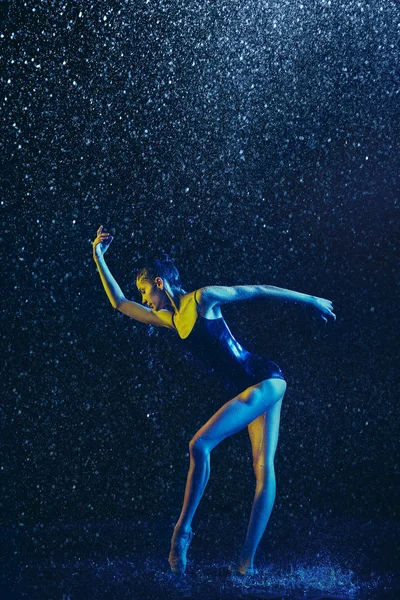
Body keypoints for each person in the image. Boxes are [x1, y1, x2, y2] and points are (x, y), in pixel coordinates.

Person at [92, 225, 336, 576]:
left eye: (145, 291)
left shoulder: (202, 298)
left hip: (265, 379)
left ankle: (182, 532)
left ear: (159, 283)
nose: (144, 300)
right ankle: (245, 565)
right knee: (261, 468)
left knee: (200, 444)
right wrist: (98, 256)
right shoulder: (172, 320)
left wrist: (311, 301)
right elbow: (119, 303)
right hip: (256, 388)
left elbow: (256, 290)